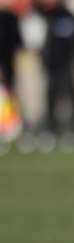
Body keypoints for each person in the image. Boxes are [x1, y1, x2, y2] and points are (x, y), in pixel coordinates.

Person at [34, 0, 74, 152]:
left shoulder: (72, 19)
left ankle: (73, 133)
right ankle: (50, 132)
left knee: (71, 101)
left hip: (67, 68)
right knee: (50, 101)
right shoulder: (47, 17)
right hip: (51, 69)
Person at [0, 1, 23, 146]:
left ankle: (10, 129)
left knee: (8, 97)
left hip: (8, 66)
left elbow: (18, 42)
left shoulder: (11, 18)